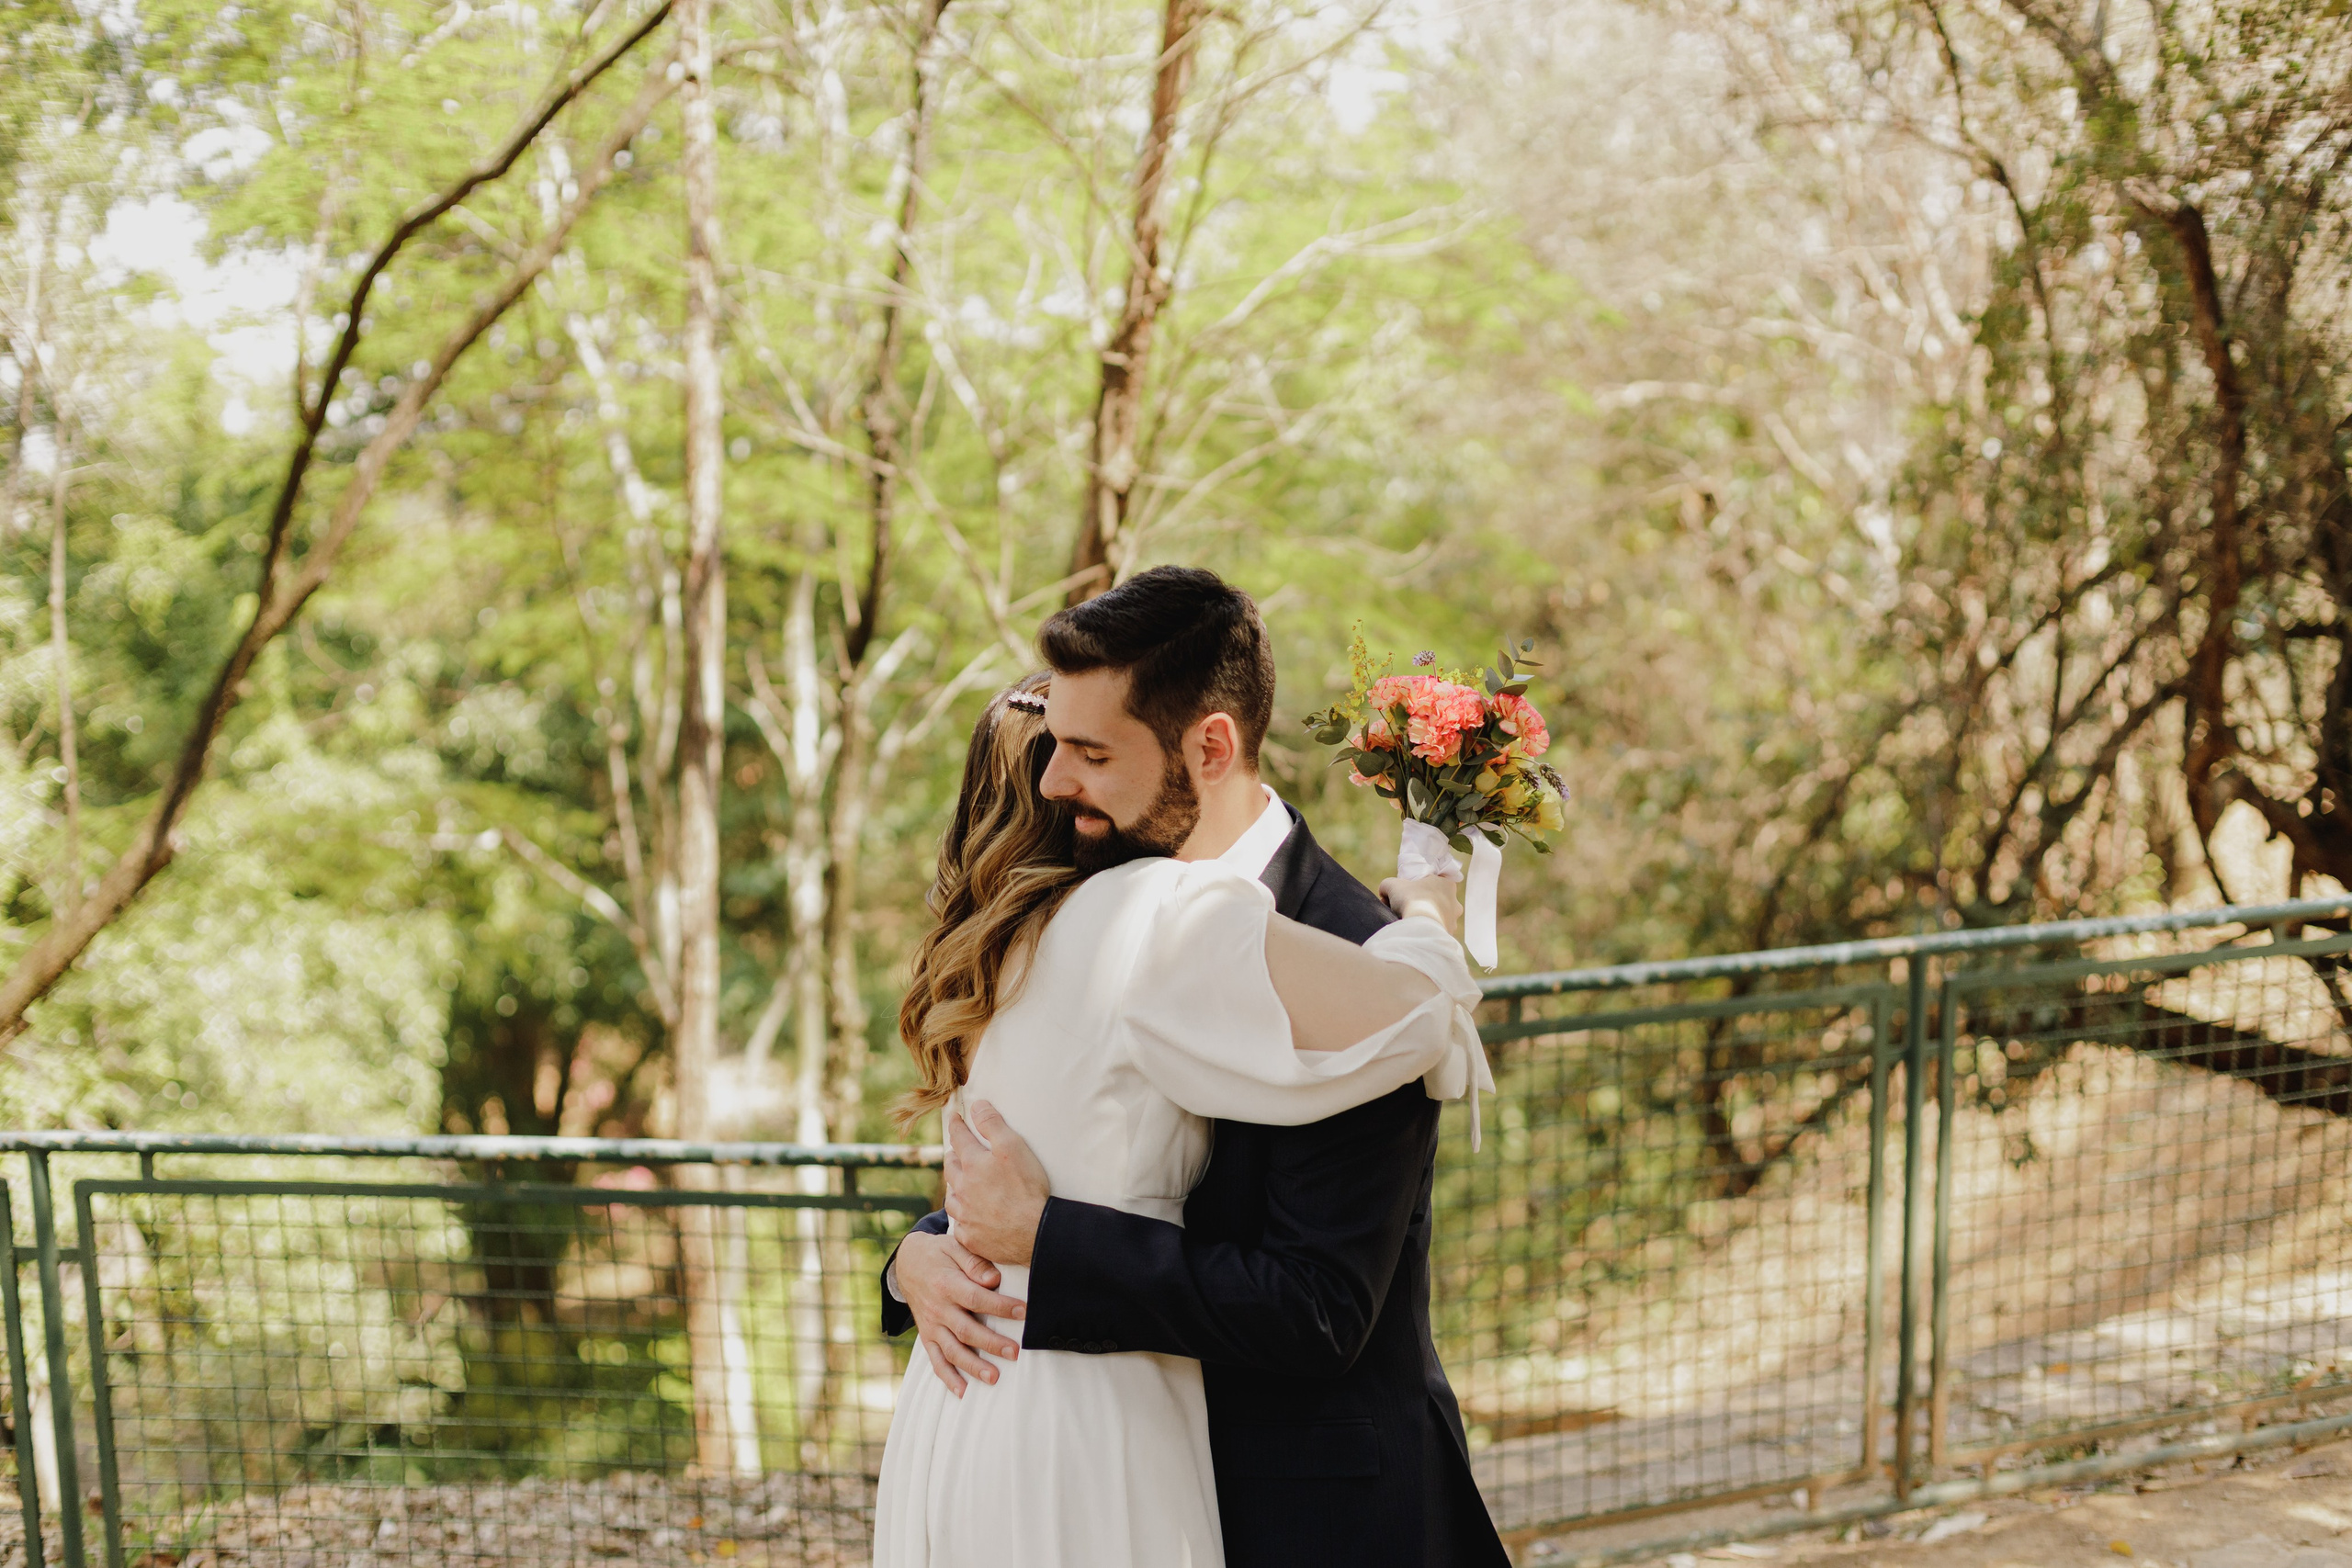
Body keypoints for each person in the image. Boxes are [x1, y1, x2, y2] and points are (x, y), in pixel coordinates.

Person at [882, 568, 1512, 1568]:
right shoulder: (1089, 901)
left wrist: (1042, 1238)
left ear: (1209, 746)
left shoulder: (1336, 939)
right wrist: (922, 1253)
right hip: (1092, 1461)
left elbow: (1318, 1308)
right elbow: (1038, 1142)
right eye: (1051, 751)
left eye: (1089, 753)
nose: (1055, 784)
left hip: (1310, 1516)